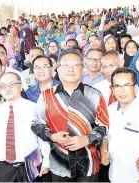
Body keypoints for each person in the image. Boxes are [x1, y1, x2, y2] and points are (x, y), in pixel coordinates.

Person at [31, 49, 109, 181]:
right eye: (66, 65)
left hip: (88, 165)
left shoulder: (95, 94)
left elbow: (104, 125)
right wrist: (52, 136)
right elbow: (36, 124)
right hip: (59, 164)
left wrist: (87, 139)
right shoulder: (46, 96)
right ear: (58, 70)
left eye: (75, 65)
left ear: (82, 69)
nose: (70, 69)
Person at [0, 72, 51, 182]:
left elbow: (43, 139)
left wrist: (47, 161)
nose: (7, 88)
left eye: (11, 84)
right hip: (5, 168)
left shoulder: (33, 109)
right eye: (3, 86)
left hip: (30, 166)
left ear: (20, 86)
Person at [101, 67, 139, 182]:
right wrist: (103, 150)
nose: (121, 91)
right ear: (112, 89)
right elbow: (104, 135)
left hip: (135, 178)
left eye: (126, 85)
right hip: (113, 175)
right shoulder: (109, 110)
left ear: (135, 88)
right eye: (117, 86)